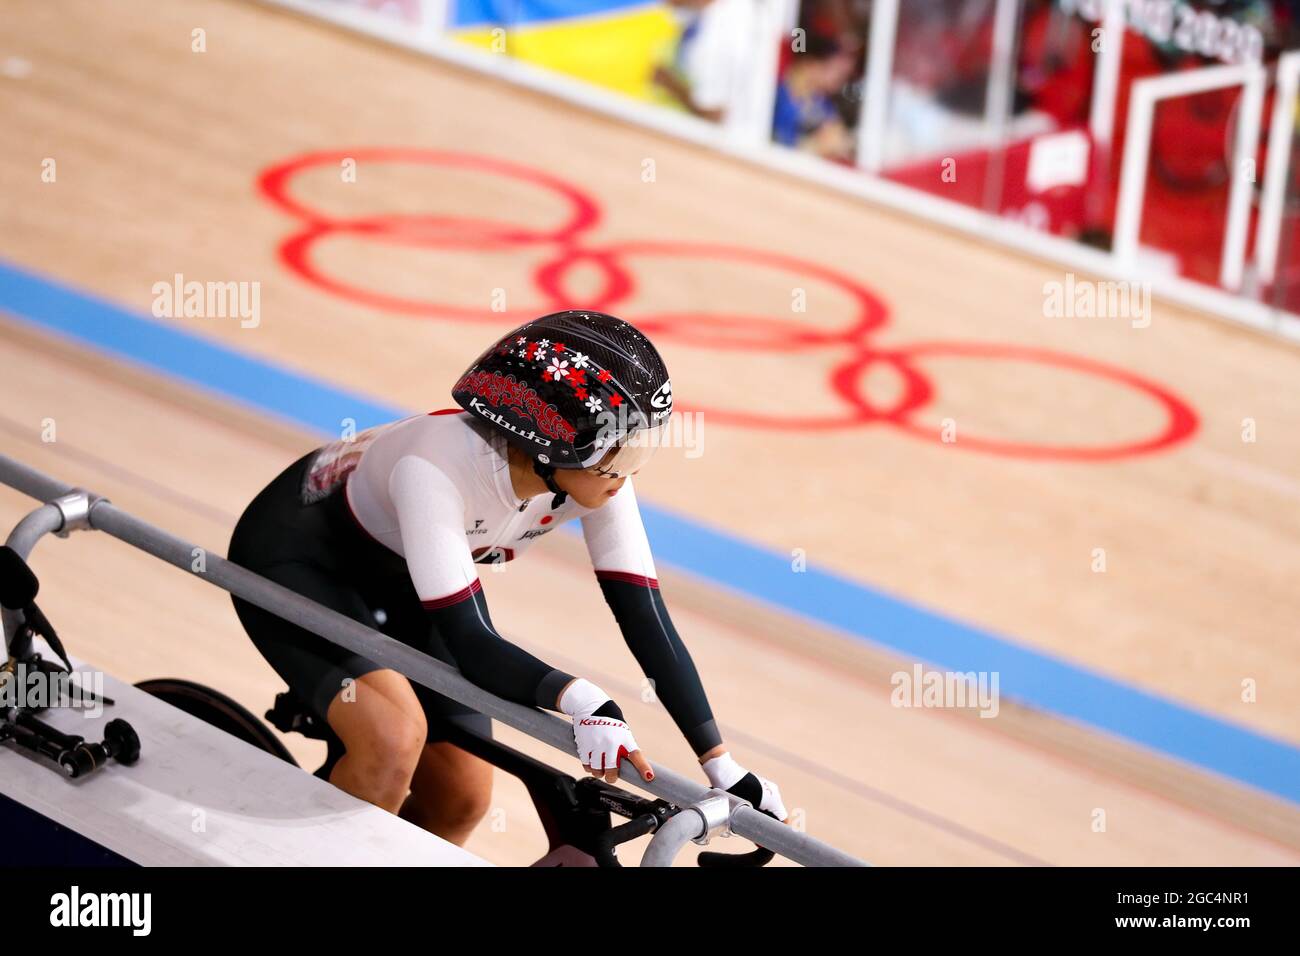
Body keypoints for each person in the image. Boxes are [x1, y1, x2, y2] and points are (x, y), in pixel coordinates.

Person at [228, 310, 787, 847]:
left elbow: (647, 620)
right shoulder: (435, 467)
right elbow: (472, 643)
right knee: (391, 744)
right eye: (619, 448)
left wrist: (720, 763)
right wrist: (582, 699)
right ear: (549, 444)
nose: (630, 469)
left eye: (640, 445)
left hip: (404, 583)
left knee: (461, 800)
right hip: (302, 560)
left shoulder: (598, 475)